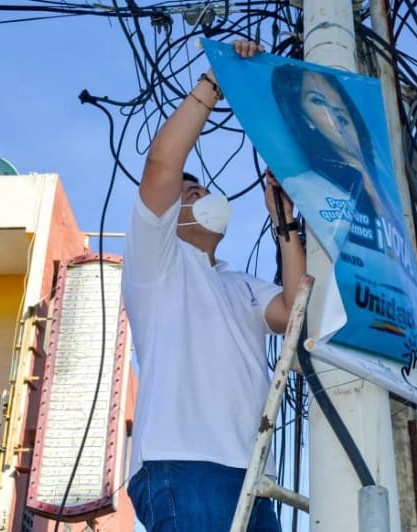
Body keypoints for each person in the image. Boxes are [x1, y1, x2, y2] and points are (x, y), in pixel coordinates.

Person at [121, 40, 304, 532]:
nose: (203, 195)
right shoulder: (156, 261)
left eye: (203, 190)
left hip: (250, 475)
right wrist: (214, 82)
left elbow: (293, 312)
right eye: (191, 192)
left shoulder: (239, 284)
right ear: (169, 216)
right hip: (182, 464)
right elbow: (162, 165)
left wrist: (284, 224)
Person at [270, 65, 397, 260]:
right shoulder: (303, 185)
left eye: (336, 96)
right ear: (306, 119)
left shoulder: (393, 185)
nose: (333, 108)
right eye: (318, 100)